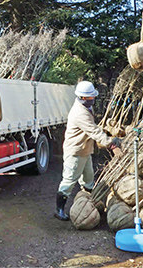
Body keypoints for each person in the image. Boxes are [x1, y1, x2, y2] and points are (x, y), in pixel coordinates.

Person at [55, 80, 121, 221]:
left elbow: (93, 128)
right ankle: (59, 209)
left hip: (85, 150)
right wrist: (111, 145)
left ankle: (88, 206)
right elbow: (94, 131)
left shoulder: (85, 107)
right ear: (83, 97)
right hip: (75, 152)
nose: (93, 99)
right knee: (69, 181)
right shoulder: (80, 113)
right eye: (91, 97)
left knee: (88, 179)